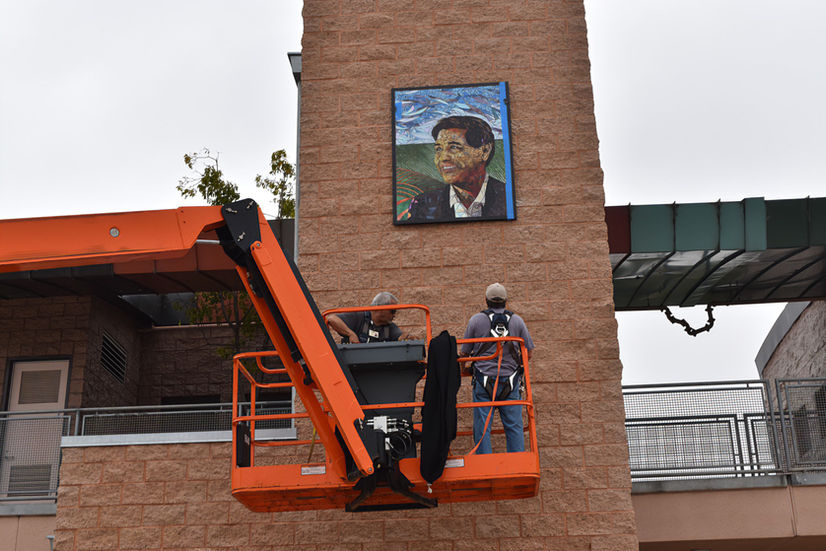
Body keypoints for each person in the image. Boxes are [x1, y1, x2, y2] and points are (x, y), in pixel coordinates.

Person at [460, 283, 534, 453]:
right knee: (514, 426)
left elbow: (464, 353)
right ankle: (517, 462)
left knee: (482, 426)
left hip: (483, 381)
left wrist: (462, 370)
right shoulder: (517, 321)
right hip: (510, 381)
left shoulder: (476, 320)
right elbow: (528, 353)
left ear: (486, 300)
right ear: (506, 301)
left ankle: (484, 461)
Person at [407, 116, 507, 222]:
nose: (443, 158)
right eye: (439, 149)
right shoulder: (423, 204)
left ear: (485, 151)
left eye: (454, 147)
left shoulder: (507, 198)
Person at [326, 291, 407, 343]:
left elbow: (400, 337)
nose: (394, 315)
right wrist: (350, 334)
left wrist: (407, 338)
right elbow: (332, 319)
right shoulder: (359, 317)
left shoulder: (389, 327)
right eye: (392, 311)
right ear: (380, 308)